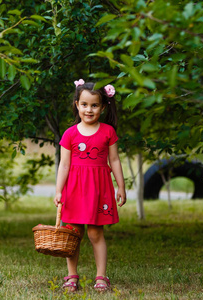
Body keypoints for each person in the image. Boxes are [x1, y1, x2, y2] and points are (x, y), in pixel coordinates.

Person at [53, 79, 126, 292]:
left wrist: (120, 186)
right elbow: (64, 165)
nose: (89, 109)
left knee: (95, 234)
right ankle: (71, 275)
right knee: (73, 234)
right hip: (74, 190)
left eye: (94, 105)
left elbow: (114, 161)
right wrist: (58, 190)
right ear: (77, 104)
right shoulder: (70, 134)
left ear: (103, 107)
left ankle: (101, 276)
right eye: (84, 104)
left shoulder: (108, 132)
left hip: (98, 190)